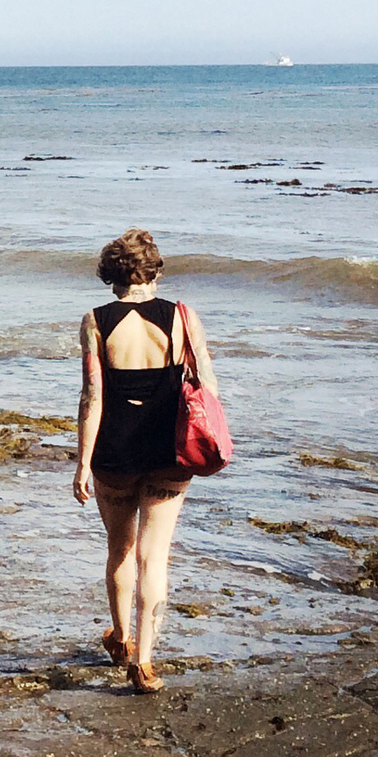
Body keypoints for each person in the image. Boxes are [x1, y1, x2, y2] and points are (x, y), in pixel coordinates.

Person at [74, 228, 218, 694]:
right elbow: (208, 386)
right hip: (168, 451)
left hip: (114, 451)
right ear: (156, 270)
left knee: (119, 550)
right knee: (154, 557)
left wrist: (82, 462)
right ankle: (146, 662)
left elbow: (92, 397)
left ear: (109, 275)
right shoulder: (182, 317)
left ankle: (120, 636)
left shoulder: (95, 321)